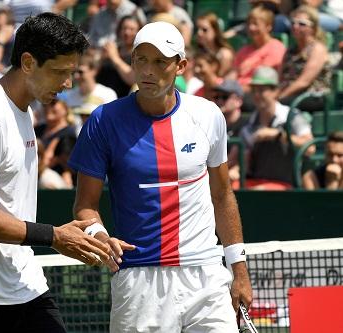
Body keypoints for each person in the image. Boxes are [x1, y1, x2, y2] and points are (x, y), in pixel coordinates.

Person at [0, 13, 114, 333]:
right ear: (27, 62)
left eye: (71, 73)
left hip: (21, 284)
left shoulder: (23, 112)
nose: (67, 84)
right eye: (59, 72)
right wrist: (54, 236)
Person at [68, 21, 253, 332]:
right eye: (141, 59)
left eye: (160, 62)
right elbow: (84, 206)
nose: (148, 71)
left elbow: (222, 195)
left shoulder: (208, 116)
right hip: (139, 280)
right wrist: (100, 236)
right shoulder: (103, 120)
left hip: (206, 275)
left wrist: (240, 270)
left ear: (180, 65)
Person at [240, 66, 313, 190]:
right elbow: (244, 163)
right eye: (254, 90)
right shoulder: (248, 125)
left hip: (287, 185)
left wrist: (278, 135)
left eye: (262, 90)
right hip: (256, 182)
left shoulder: (292, 116)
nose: (257, 95)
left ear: (276, 92)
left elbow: (310, 148)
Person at [278, 5, 331, 112]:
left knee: (279, 104)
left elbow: (304, 82)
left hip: (312, 96)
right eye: (293, 23)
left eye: (302, 24)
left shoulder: (317, 49)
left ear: (313, 28)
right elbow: (280, 78)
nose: (295, 26)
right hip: (291, 94)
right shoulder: (290, 50)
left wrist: (280, 97)